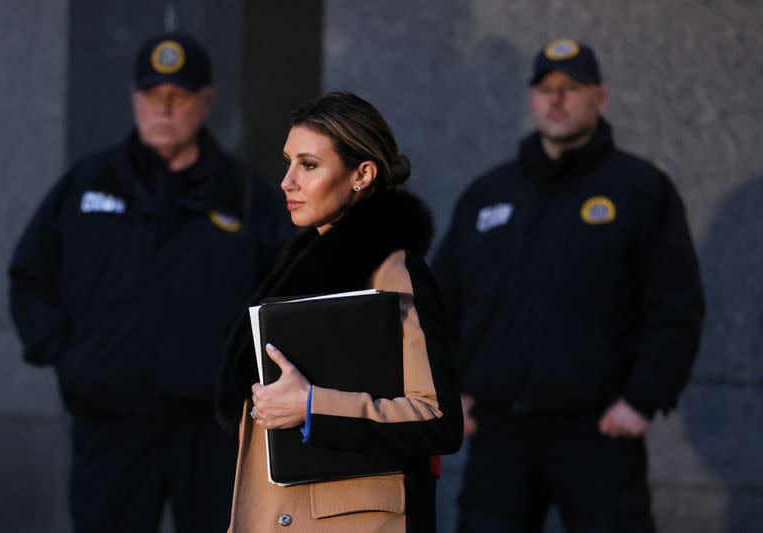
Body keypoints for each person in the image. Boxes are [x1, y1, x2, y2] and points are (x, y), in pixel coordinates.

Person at [8, 31, 290, 533]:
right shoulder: (88, 185)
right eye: (151, 95)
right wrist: (67, 356)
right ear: (134, 100)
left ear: (206, 102)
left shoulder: (247, 197)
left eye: (178, 96)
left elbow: (287, 298)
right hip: (110, 424)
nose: (163, 109)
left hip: (213, 432)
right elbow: (30, 275)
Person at [432, 38, 705, 532]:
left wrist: (642, 400)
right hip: (499, 433)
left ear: (599, 98)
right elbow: (440, 302)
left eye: (571, 87)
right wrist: (446, 393)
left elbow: (675, 305)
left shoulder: (639, 190)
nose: (555, 99)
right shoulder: (490, 193)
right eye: (545, 88)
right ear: (533, 99)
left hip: (599, 432)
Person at [216, 91, 463, 532]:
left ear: (362, 174)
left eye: (308, 165)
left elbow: (437, 419)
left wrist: (312, 406)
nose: (286, 182)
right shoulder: (300, 263)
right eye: (288, 162)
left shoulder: (392, 270)